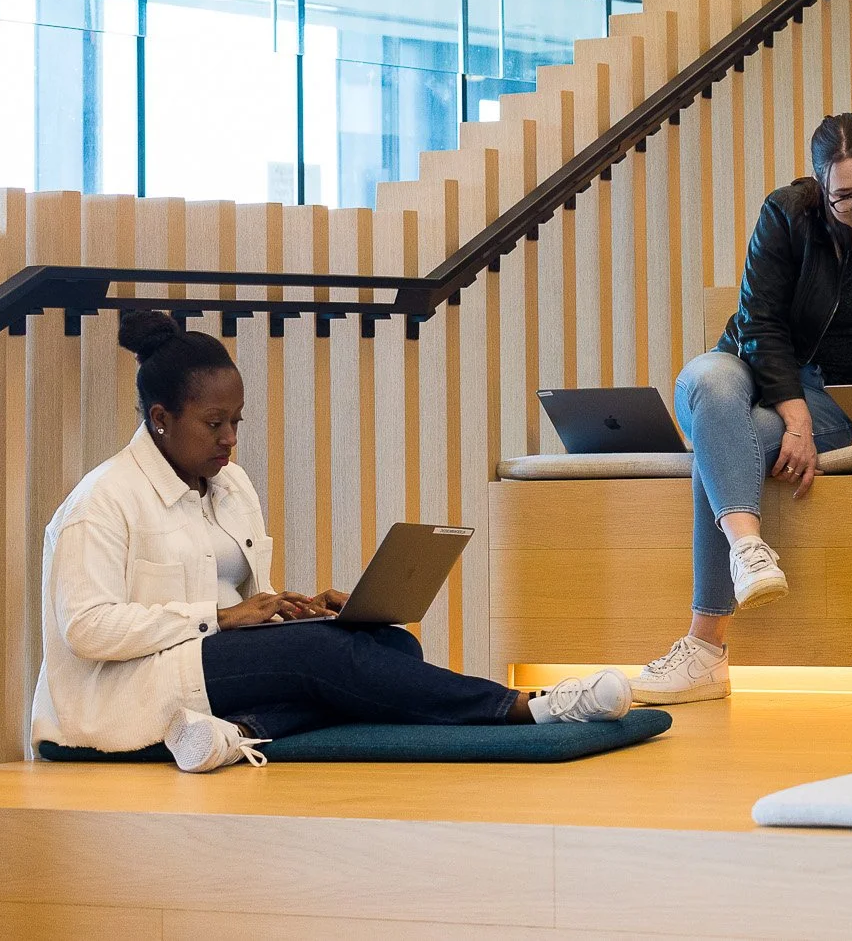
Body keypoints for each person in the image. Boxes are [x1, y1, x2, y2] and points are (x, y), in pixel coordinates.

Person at [33, 312, 629, 772]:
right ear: (161, 418)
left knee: (388, 646)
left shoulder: (229, 484)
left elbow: (246, 598)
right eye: (214, 424)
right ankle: (526, 706)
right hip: (135, 685)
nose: (229, 439)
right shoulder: (100, 503)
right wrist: (220, 617)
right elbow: (86, 629)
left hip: (209, 661)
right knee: (321, 661)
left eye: (237, 422)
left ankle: (236, 733)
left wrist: (288, 610)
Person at [633, 113, 852, 705]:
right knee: (708, 379)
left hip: (835, 393)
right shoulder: (786, 213)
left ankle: (706, 649)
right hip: (749, 367)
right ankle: (749, 549)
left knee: (723, 447)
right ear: (818, 187)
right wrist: (796, 419)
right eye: (844, 197)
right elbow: (758, 321)